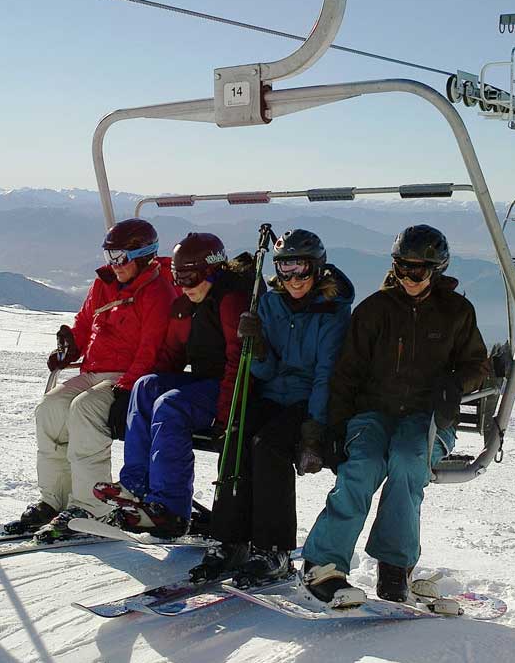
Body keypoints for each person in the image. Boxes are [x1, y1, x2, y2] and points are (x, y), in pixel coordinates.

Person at [300, 224, 491, 607]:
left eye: (417, 271)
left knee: (408, 462)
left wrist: (454, 385)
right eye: (401, 268)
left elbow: (477, 366)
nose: (408, 278)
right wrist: (335, 429)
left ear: (435, 270)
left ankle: (393, 567)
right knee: (363, 465)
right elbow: (347, 373)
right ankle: (322, 565)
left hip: (426, 417)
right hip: (374, 412)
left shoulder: (456, 312)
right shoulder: (376, 310)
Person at [188, 229, 354, 585]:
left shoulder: (333, 311)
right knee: (236, 437)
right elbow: (265, 370)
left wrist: (314, 428)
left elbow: (326, 375)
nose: (293, 279)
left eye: (301, 270)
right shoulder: (269, 303)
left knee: (269, 446)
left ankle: (274, 549)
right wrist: (258, 346)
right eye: (284, 270)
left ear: (318, 268)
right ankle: (230, 539)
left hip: (308, 400)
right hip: (272, 392)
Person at [3, 218, 176, 541]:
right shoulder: (104, 284)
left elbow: (150, 348)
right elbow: (85, 323)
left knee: (84, 410)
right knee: (50, 409)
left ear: (144, 255)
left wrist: (128, 388)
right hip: (94, 371)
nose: (115, 265)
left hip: (131, 378)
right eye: (110, 257)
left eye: (121, 257)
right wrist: (70, 347)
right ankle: (55, 500)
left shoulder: (157, 291)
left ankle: (89, 507)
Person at [93, 232, 250, 538]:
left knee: (171, 405)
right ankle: (136, 485)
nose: (184, 287)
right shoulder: (185, 306)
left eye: (190, 279)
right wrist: (136, 399)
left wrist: (225, 416)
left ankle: (171, 509)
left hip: (232, 389)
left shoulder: (231, 302)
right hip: (205, 383)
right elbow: (169, 359)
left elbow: (238, 364)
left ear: (212, 272)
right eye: (178, 278)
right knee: (147, 385)